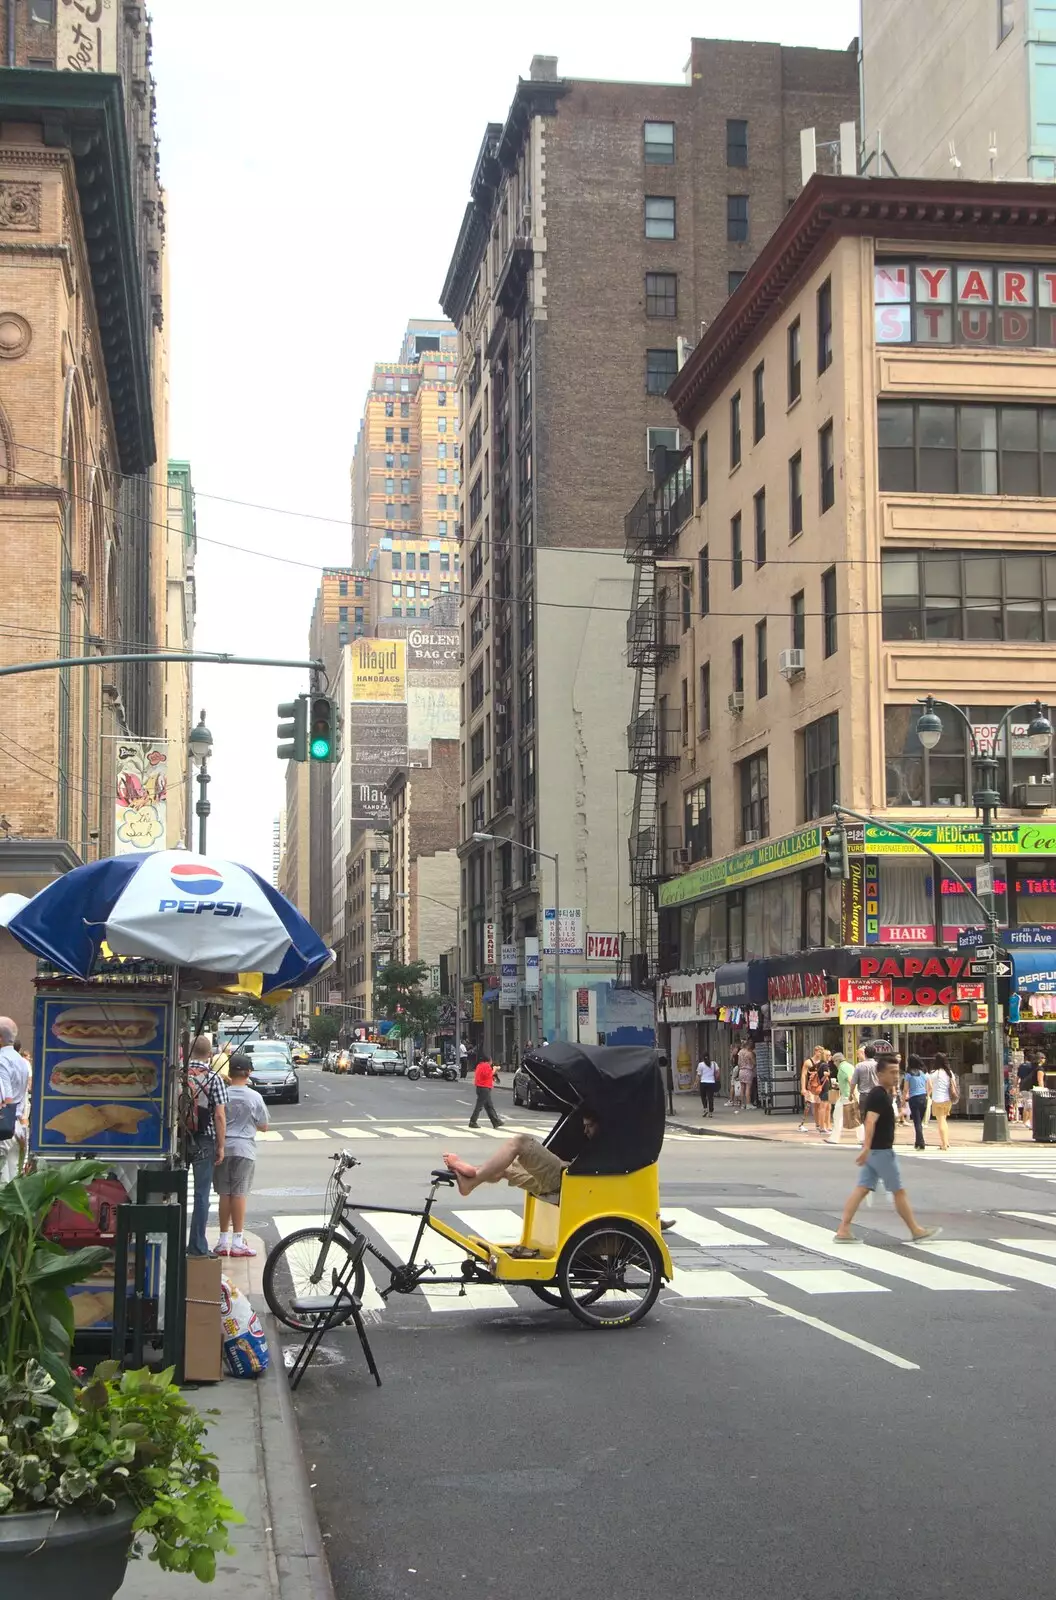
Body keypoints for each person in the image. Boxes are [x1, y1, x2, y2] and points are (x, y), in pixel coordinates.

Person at [834, 1055, 941, 1243]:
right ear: (880, 1074)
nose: (895, 1076)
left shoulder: (882, 1094)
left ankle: (843, 1230)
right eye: (891, 1072)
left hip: (876, 1151)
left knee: (861, 1189)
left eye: (897, 1072)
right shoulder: (878, 1095)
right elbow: (870, 1121)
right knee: (898, 1191)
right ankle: (916, 1230)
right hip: (881, 1152)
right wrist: (866, 1147)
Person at [444, 1117, 599, 1202]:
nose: (585, 1131)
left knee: (520, 1142)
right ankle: (472, 1175)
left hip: (569, 1179)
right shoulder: (594, 1142)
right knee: (504, 1168)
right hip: (568, 1177)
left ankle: (471, 1180)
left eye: (590, 1126)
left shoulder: (607, 1141)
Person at [213, 1053, 268, 1258]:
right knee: (239, 1193)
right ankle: (237, 1241)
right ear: (249, 1072)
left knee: (224, 1194)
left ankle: (222, 1241)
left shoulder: (223, 1093)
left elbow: (216, 1118)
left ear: (229, 1072)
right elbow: (263, 1125)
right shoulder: (255, 1097)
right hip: (245, 1149)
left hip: (223, 1146)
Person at [185, 1032, 228, 1257]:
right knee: (202, 1194)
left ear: (189, 1052)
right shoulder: (214, 1078)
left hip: (179, 1139)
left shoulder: (179, 1076)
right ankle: (197, 1246)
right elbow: (219, 1116)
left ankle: (171, 1239)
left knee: (174, 1192)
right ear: (209, 1054)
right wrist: (221, 1146)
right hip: (204, 1139)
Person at [0, 1016, 29, 1183]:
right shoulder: (21, 1061)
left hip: (3, 1129)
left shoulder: (1, 1060)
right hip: (17, 1129)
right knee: (14, 1185)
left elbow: (5, 1097)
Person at [850, 1044, 880, 1146]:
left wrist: (851, 1093)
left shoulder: (859, 1066)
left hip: (864, 1095)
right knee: (876, 1116)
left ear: (865, 1054)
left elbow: (853, 1081)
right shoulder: (878, 1065)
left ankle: (868, 1139)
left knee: (864, 1118)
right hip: (877, 1095)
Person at [929, 1051, 956, 1151]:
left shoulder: (934, 1073)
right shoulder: (950, 1073)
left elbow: (929, 1086)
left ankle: (944, 1144)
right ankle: (946, 1142)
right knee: (944, 1121)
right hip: (948, 1100)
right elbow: (954, 1086)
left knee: (941, 1122)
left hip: (937, 1099)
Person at [469, 1054, 504, 1129]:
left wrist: (493, 1076)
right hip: (484, 1088)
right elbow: (488, 1075)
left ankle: (495, 1121)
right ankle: (473, 1121)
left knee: (489, 1106)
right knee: (479, 1106)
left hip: (480, 1087)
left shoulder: (479, 1065)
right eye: (491, 1060)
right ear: (489, 1060)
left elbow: (485, 1076)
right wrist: (494, 1069)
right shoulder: (486, 1066)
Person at [826, 1051, 853, 1144]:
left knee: (837, 1116)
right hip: (848, 1094)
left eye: (834, 1061)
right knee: (854, 1117)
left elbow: (850, 1080)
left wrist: (851, 1093)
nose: (833, 1063)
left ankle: (834, 1138)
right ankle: (862, 1138)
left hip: (847, 1095)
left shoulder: (842, 1068)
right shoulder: (850, 1066)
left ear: (837, 1060)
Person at [903, 1053, 929, 1151]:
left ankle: (921, 1142)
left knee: (917, 1122)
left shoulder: (908, 1074)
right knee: (919, 1121)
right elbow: (928, 1087)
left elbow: (905, 1089)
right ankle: (917, 1142)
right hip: (923, 1098)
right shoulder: (923, 1073)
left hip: (914, 1098)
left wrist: (903, 1100)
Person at [806, 1050, 831, 1135]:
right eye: (828, 1055)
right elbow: (823, 1076)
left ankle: (825, 1126)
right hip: (824, 1088)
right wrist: (827, 1074)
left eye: (830, 1055)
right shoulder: (824, 1065)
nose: (830, 1056)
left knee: (825, 1107)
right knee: (823, 1107)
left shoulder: (820, 1064)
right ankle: (822, 1127)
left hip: (823, 1088)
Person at [799, 1047, 822, 1132]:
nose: (820, 1054)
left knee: (818, 1105)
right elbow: (803, 1075)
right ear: (815, 1051)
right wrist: (803, 1088)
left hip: (818, 1087)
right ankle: (801, 1124)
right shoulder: (808, 1062)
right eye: (819, 1052)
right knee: (808, 1105)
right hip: (810, 1086)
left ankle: (818, 1124)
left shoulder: (822, 1062)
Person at [736, 1040, 756, 1114]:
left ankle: (742, 1104)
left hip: (741, 1071)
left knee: (742, 1088)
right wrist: (753, 1066)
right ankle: (748, 1104)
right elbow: (754, 1063)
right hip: (748, 1071)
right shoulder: (750, 1053)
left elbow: (738, 1063)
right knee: (748, 1088)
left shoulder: (740, 1052)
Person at [696, 1053, 718, 1117]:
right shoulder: (714, 1063)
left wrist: (696, 1082)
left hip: (703, 1082)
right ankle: (710, 1112)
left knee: (703, 1097)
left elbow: (698, 1075)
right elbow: (717, 1072)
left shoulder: (700, 1064)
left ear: (702, 1057)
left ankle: (705, 1109)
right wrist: (715, 1078)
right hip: (711, 1082)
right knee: (710, 1097)